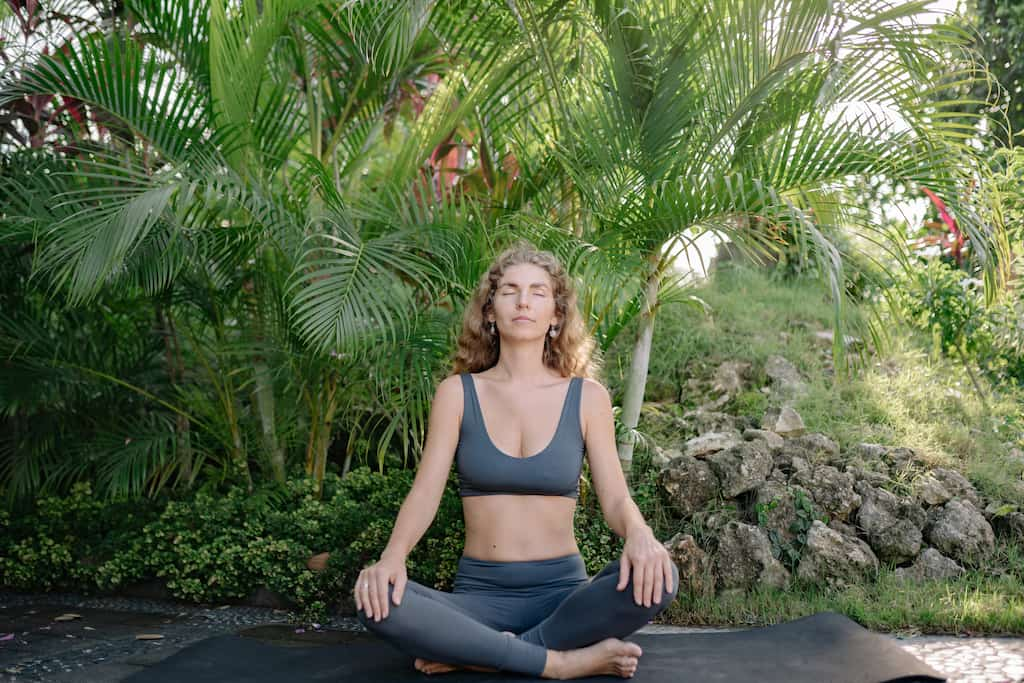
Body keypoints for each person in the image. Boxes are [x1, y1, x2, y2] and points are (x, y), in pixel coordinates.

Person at [312, 242, 679, 679]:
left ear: (556, 316)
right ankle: (559, 663)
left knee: (661, 575)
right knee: (377, 600)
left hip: (563, 596)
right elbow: (426, 493)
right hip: (476, 600)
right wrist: (393, 557)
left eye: (538, 292)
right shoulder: (458, 393)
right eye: (509, 291)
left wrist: (640, 534)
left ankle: (482, 654)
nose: (523, 301)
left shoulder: (587, 398)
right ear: (489, 311)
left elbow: (616, 499)